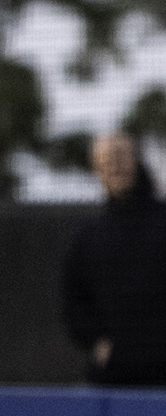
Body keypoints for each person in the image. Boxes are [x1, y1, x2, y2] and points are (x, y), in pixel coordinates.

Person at [62, 132, 166, 386]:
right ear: (97, 169)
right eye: (107, 160)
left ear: (136, 160)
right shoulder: (87, 236)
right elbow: (72, 301)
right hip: (112, 378)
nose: (116, 165)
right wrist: (98, 343)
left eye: (121, 156)